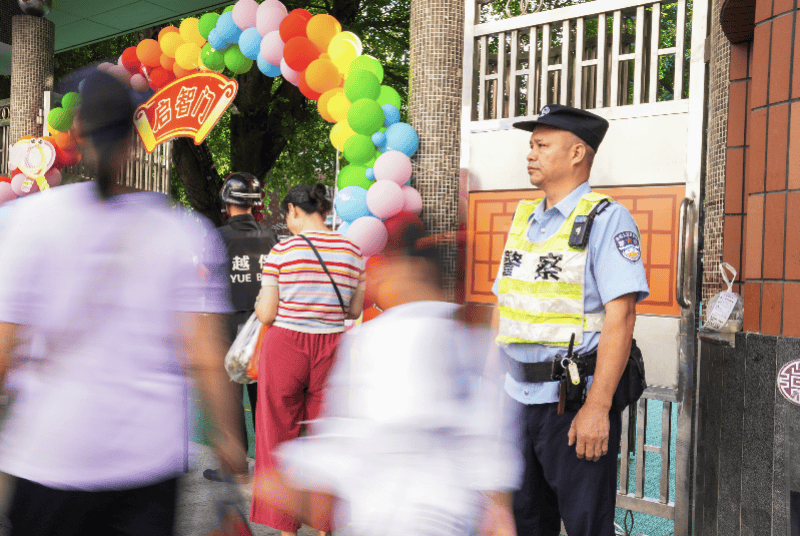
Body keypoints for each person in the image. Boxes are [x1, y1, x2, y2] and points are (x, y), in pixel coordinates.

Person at [0, 71, 245, 535]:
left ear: (76, 136)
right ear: (134, 141)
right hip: (148, 466)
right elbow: (207, 358)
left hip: (50, 458)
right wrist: (230, 443)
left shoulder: (27, 223)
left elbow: (3, 351)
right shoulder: (182, 232)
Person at [251, 224, 521, 536]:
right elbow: (488, 435)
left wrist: (298, 473)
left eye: (388, 266)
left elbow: (377, 429)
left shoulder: (398, 335)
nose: (379, 278)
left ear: (414, 270)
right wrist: (498, 506)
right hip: (443, 513)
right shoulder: (465, 336)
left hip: (407, 514)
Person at [491, 104, 649, 536]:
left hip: (572, 404)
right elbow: (504, 309)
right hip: (517, 400)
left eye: (542, 145)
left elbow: (622, 315)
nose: (531, 154)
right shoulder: (523, 219)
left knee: (585, 525)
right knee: (525, 523)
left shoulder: (606, 218)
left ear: (577, 153)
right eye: (530, 145)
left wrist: (598, 408)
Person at [250, 183, 366, 535]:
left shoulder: (283, 251)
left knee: (277, 436)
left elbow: (267, 313)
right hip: (332, 346)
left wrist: (259, 301)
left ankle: (286, 529)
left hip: (286, 345)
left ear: (294, 211)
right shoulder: (353, 251)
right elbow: (355, 309)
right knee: (328, 438)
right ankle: (324, 527)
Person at [202, 172, 278, 483]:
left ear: (226, 203)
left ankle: (235, 467)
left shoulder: (217, 237)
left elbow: (203, 280)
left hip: (228, 329)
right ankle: (268, 468)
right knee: (264, 401)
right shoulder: (271, 236)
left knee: (231, 401)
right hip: (264, 329)